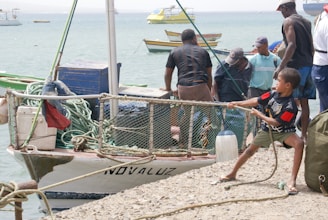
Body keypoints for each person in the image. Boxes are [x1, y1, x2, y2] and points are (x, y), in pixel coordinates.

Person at [219, 68, 304, 195]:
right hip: (267, 130)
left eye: (279, 81)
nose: (275, 83)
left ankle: (292, 180)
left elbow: (276, 122)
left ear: (287, 85)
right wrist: (238, 103)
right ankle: (232, 173)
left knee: (299, 144)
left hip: (284, 131)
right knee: (249, 151)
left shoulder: (291, 106)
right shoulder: (272, 94)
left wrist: (259, 115)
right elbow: (256, 100)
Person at [163, 29, 213, 147]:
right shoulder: (203, 51)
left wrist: (168, 89)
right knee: (209, 114)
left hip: (183, 88)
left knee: (187, 114)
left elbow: (167, 74)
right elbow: (209, 75)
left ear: (182, 40)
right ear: (194, 38)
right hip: (201, 85)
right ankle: (206, 142)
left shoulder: (174, 52)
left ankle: (183, 142)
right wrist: (208, 91)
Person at [275, 0, 316, 142]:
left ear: (285, 8)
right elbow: (311, 46)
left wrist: (280, 67)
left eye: (281, 11)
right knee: (304, 103)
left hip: (295, 67)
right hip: (309, 65)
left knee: (288, 101)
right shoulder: (307, 22)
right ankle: (303, 136)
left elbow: (291, 45)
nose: (282, 14)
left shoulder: (288, 22)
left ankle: (289, 136)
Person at [212, 48, 252, 151]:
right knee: (222, 125)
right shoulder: (224, 65)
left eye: (235, 62)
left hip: (241, 102)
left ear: (241, 60)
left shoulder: (250, 67)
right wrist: (217, 100)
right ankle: (221, 147)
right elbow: (215, 83)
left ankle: (239, 145)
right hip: (225, 101)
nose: (232, 64)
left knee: (243, 124)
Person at [312, 5, 328, 112]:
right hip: (323, 66)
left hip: (320, 65)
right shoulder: (326, 22)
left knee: (324, 106)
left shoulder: (322, 18)